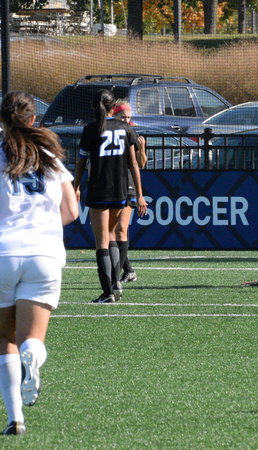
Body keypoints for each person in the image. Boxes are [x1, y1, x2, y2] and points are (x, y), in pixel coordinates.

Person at [0, 92, 79, 435]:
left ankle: (15, 418)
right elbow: (71, 211)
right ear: (34, 119)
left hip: (3, 252)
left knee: (4, 341)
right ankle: (33, 356)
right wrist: (41, 227)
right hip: (44, 254)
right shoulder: (50, 155)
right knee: (31, 339)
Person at [72, 90, 147, 303]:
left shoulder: (90, 129)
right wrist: (140, 194)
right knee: (113, 235)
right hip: (121, 189)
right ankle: (116, 284)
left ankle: (108, 293)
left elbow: (81, 163)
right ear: (113, 107)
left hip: (99, 189)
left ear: (94, 107)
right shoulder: (125, 128)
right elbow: (134, 164)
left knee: (102, 241)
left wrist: (76, 186)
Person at [111, 100, 147, 284]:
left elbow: (141, 164)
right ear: (114, 115)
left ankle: (115, 276)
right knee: (110, 231)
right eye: (122, 116)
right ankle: (129, 270)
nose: (126, 120)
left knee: (120, 229)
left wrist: (142, 148)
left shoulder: (132, 133)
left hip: (128, 185)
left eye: (128, 117)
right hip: (111, 185)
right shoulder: (108, 132)